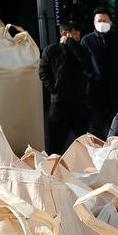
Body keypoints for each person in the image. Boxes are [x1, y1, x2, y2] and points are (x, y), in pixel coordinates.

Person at [39, 21, 93, 154]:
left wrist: (70, 43)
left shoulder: (80, 49)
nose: (78, 35)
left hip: (79, 103)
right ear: (65, 33)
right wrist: (54, 88)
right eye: (75, 32)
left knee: (86, 143)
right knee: (55, 146)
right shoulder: (51, 50)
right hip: (59, 104)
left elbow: (86, 59)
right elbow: (43, 72)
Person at [82, 6, 118, 137]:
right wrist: (93, 77)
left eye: (104, 20)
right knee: (96, 131)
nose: (101, 24)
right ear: (94, 22)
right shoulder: (87, 40)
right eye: (99, 21)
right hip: (95, 93)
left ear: (110, 22)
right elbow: (83, 64)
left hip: (116, 92)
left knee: (117, 129)